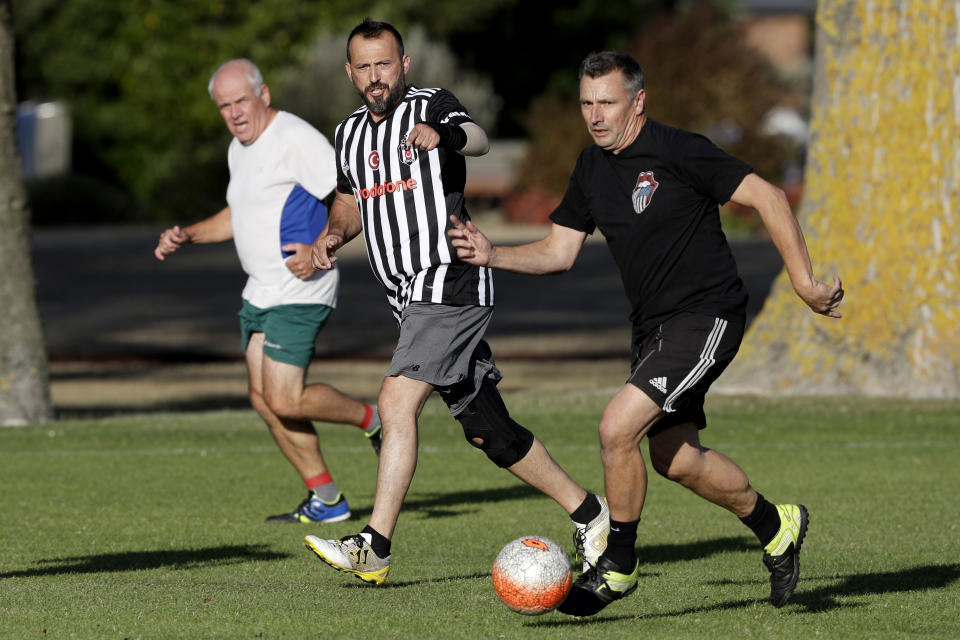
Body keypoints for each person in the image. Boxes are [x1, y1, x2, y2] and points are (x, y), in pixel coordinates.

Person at [448, 50, 844, 616]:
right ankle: (776, 524)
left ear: (638, 101)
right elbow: (559, 252)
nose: (595, 115)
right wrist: (491, 254)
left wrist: (804, 283)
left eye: (606, 102)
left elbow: (769, 196)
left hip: (707, 315)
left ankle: (619, 564)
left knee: (616, 428)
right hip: (652, 328)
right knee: (676, 460)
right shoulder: (590, 167)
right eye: (586, 103)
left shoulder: (679, 149)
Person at [302, 19, 609, 586]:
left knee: (396, 402)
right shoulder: (347, 133)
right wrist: (329, 236)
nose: (375, 77)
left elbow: (479, 138)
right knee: (487, 430)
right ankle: (592, 515)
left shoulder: (431, 105)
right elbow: (348, 203)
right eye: (363, 67)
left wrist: (443, 136)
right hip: (406, 297)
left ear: (405, 65)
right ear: (349, 72)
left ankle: (375, 545)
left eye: (384, 64)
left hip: (450, 282)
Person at [154, 58, 382, 525]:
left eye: (241, 100)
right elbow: (239, 215)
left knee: (284, 397)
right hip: (259, 291)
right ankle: (327, 500)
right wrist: (189, 235)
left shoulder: (295, 139)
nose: (234, 112)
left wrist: (320, 244)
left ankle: (375, 419)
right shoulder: (240, 148)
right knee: (263, 398)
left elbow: (349, 194)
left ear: (264, 94)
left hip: (300, 287)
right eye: (224, 106)